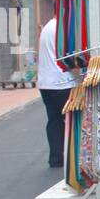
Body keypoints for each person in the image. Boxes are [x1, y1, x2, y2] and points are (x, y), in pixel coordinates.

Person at [37, 14, 78, 168]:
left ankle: (56, 158)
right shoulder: (62, 30)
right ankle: (72, 159)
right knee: (72, 120)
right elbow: (69, 56)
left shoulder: (47, 27)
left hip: (45, 83)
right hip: (62, 82)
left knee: (54, 121)